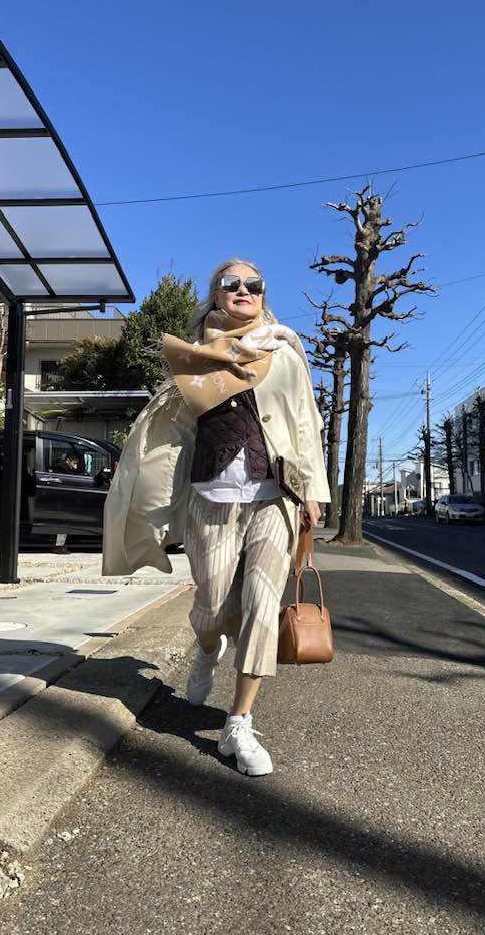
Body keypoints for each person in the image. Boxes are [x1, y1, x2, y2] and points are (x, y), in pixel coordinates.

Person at [102, 259, 330, 776]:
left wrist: (314, 492)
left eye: (254, 284)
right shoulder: (193, 356)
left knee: (261, 606)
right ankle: (208, 649)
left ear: (263, 294)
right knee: (210, 604)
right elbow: (175, 429)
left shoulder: (285, 352)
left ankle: (239, 723)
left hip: (275, 496)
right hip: (210, 495)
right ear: (216, 294)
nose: (244, 290)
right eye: (232, 284)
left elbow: (304, 422)